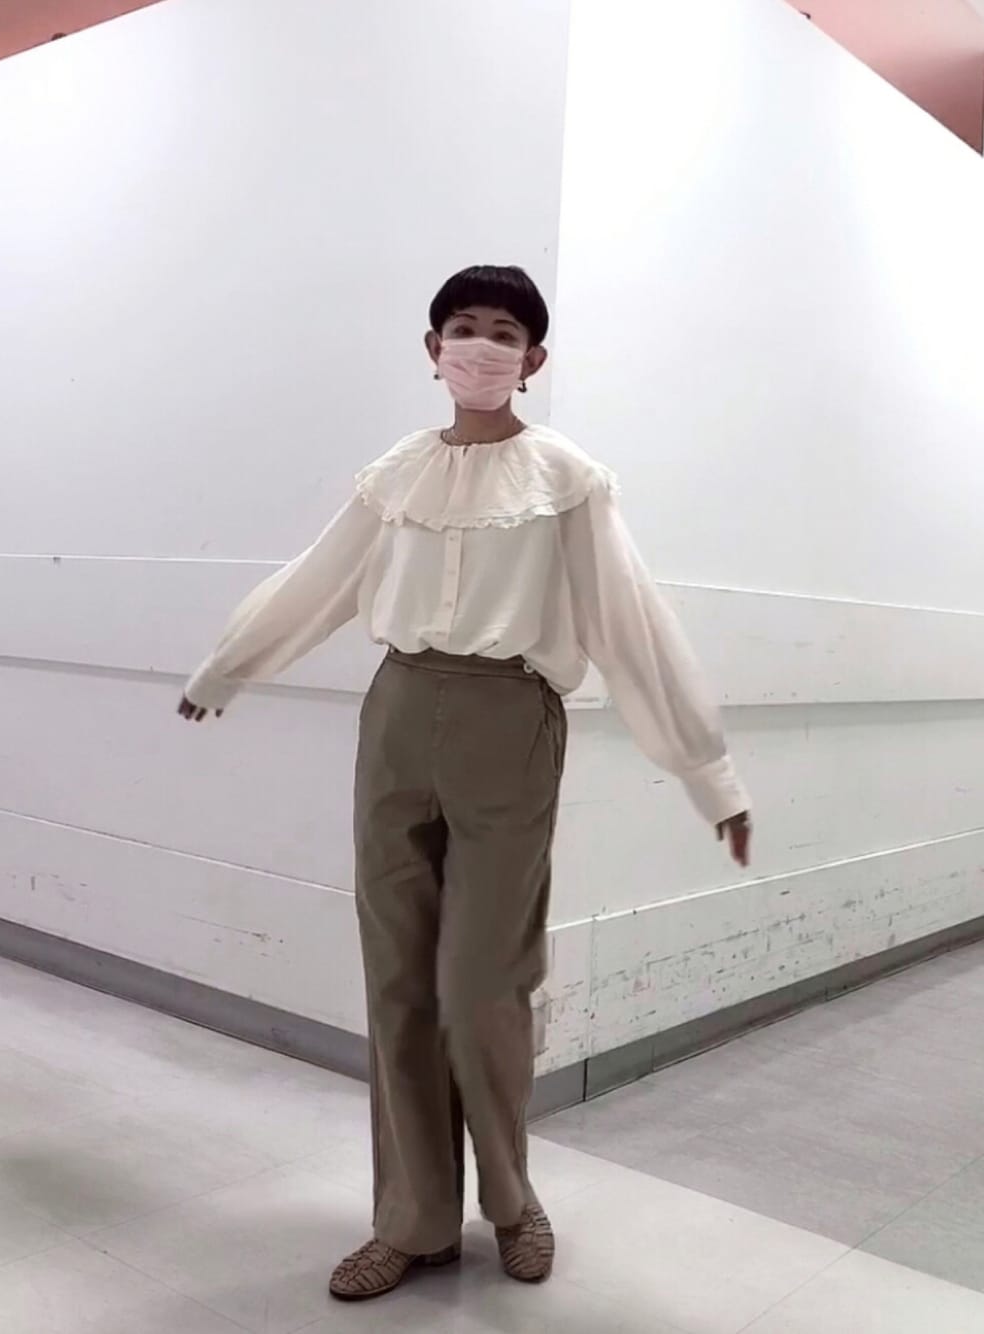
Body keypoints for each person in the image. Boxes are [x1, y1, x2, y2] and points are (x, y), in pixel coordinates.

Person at [179, 264, 752, 1302]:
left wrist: (706, 774)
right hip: (399, 708)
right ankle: (412, 1220)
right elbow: (321, 580)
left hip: (508, 715)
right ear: (432, 347)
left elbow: (628, 621)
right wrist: (229, 667)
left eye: (503, 332)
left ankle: (514, 1203)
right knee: (397, 976)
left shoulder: (567, 478)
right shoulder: (396, 473)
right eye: (462, 327)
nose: (479, 346)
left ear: (533, 358)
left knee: (482, 983)